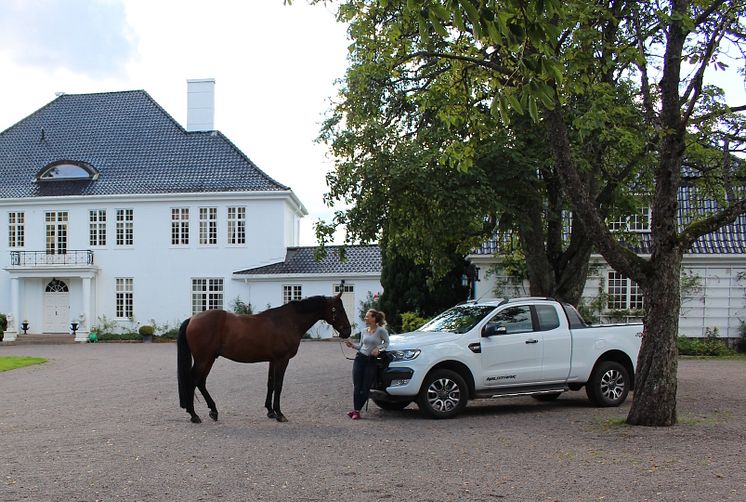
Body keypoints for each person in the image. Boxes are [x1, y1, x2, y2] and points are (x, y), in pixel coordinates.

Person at [344, 309, 390, 419]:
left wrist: (379, 349)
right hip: (360, 359)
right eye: (365, 317)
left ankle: (356, 410)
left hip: (371, 361)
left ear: (374, 318)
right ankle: (356, 410)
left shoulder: (381, 331)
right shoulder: (364, 330)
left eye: (367, 316)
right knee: (357, 386)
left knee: (365, 387)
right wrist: (352, 345)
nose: (365, 318)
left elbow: (387, 343)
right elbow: (360, 346)